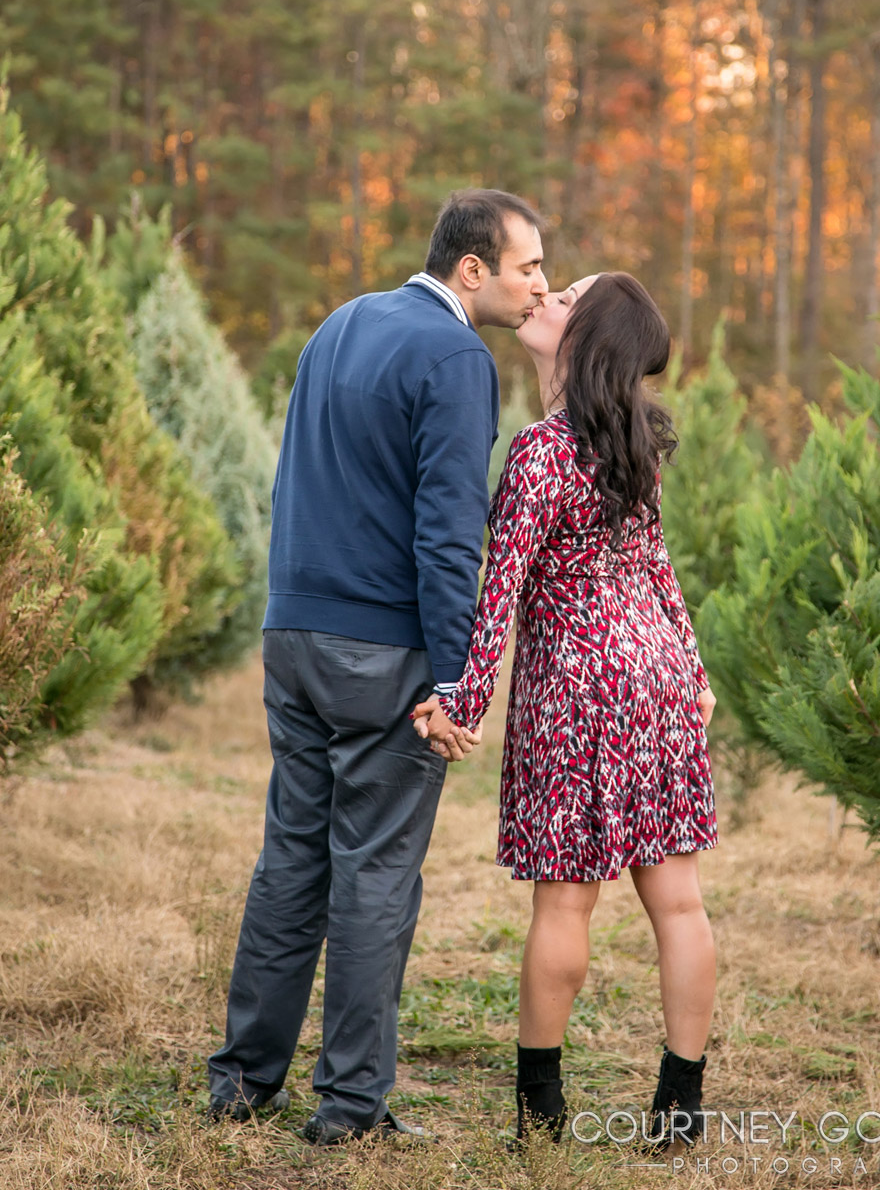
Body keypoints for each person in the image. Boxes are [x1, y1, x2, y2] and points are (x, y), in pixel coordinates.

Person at [207, 189, 547, 1145]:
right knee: (376, 874)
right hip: (382, 651)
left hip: (295, 635)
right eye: (528, 268)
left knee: (292, 858)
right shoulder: (454, 356)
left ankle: (241, 1080)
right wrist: (456, 681)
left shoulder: (340, 322)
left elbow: (294, 476)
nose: (539, 287)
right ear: (470, 269)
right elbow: (448, 540)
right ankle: (351, 1105)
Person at [413, 273, 718, 1148]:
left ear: (584, 341)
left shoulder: (543, 452)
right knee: (680, 905)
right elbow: (656, 568)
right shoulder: (635, 440)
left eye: (566, 296)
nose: (546, 295)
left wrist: (458, 705)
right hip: (655, 679)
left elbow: (497, 593)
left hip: (578, 691)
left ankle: (540, 1115)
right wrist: (691, 670)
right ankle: (680, 1108)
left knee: (563, 909)